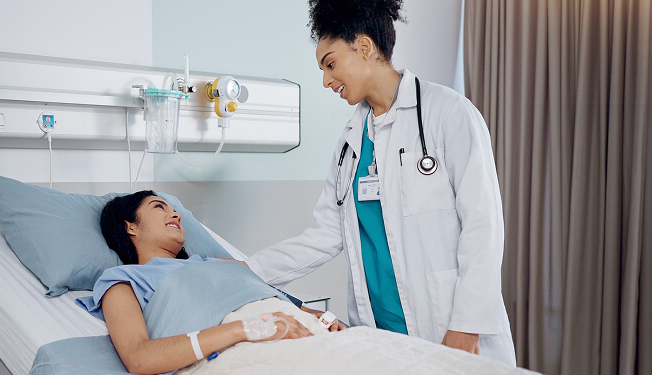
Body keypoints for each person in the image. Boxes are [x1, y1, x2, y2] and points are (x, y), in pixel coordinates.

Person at [243, 0, 517, 365]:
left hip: (448, 329)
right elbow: (326, 235)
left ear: (365, 47)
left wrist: (467, 326)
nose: (325, 81)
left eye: (330, 64)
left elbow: (483, 227)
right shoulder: (350, 143)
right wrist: (246, 270)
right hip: (380, 339)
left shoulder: (448, 113)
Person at [75, 191, 323, 374]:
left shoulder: (218, 262)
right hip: (241, 350)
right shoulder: (123, 281)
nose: (175, 214)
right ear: (130, 226)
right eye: (159, 207)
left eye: (173, 209)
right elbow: (139, 358)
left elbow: (274, 300)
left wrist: (322, 319)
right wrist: (245, 328)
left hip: (306, 331)